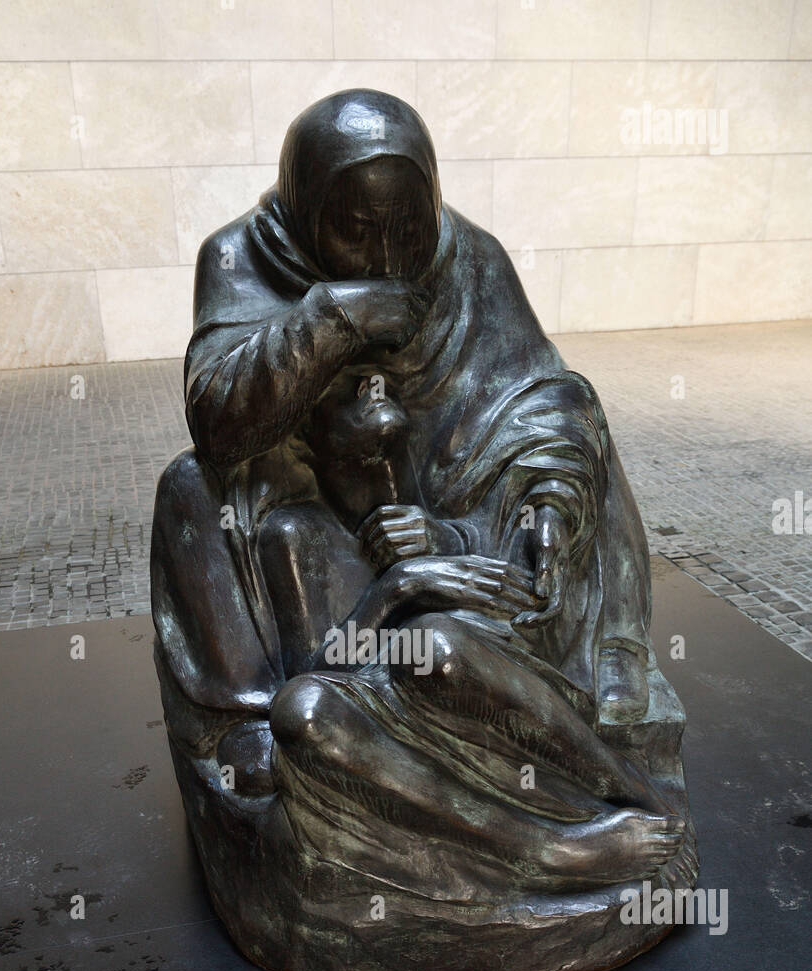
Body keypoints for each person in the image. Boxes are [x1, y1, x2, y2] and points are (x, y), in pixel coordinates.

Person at [151, 88, 695, 909]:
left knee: (576, 414)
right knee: (194, 490)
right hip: (317, 549)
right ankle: (260, 724)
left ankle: (593, 724)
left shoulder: (468, 259)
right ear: (305, 211)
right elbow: (220, 420)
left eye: (408, 229)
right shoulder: (240, 258)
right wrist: (329, 319)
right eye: (356, 230)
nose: (387, 255)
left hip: (439, 528)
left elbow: (537, 394)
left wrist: (540, 501)